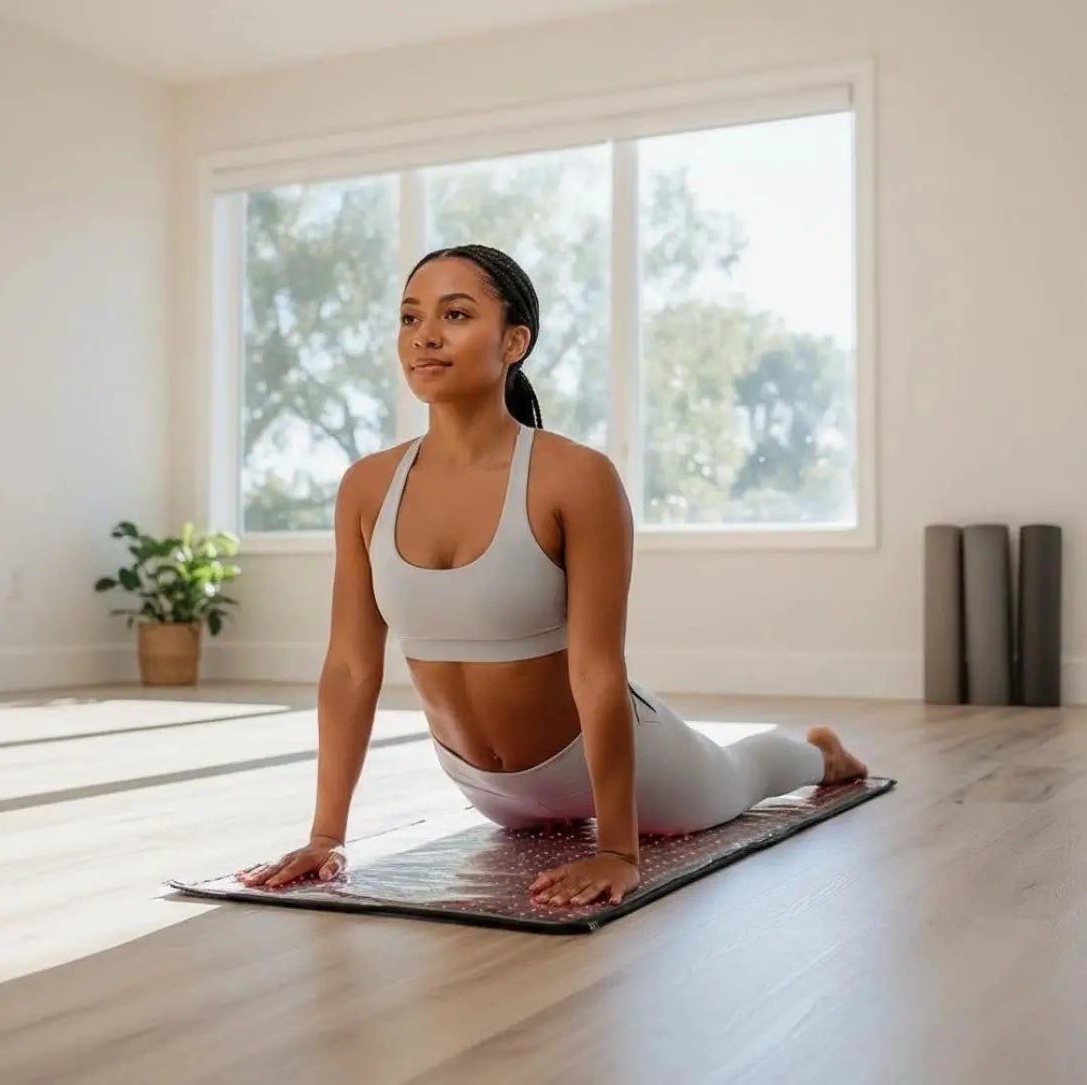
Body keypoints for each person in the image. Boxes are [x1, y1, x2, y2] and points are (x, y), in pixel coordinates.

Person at [237, 244, 868, 908]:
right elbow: (349, 668)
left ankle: (821, 754)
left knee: (737, 778)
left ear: (514, 341)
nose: (424, 334)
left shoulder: (575, 477)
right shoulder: (367, 486)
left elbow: (598, 669)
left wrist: (620, 851)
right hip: (487, 790)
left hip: (614, 764)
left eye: (455, 314)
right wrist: (325, 834)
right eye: (408, 317)